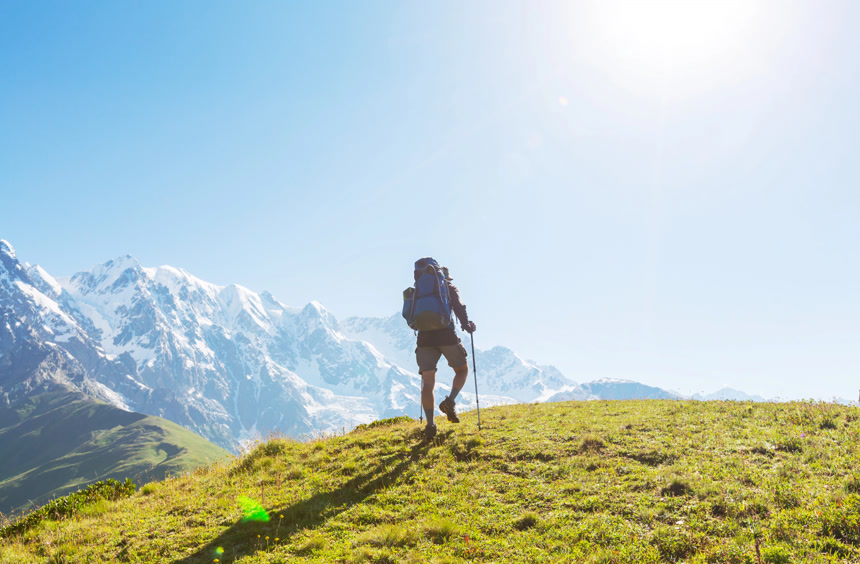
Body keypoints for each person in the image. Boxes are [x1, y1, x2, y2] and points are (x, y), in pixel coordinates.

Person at [415, 263, 476, 441]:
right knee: (462, 370)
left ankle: (429, 425)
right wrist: (466, 326)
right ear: (444, 278)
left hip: (424, 338)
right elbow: (459, 306)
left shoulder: (419, 291)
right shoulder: (449, 287)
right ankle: (450, 401)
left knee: (427, 383)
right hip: (446, 335)